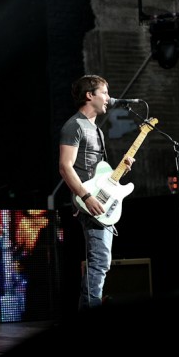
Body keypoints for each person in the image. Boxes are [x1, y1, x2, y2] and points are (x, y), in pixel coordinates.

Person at [58, 74, 135, 310]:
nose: (108, 98)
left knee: (101, 262)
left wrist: (121, 169)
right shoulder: (74, 125)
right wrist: (86, 196)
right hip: (88, 202)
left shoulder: (97, 130)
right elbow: (65, 166)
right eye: (104, 92)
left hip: (99, 200)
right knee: (99, 261)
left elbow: (99, 172)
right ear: (89, 95)